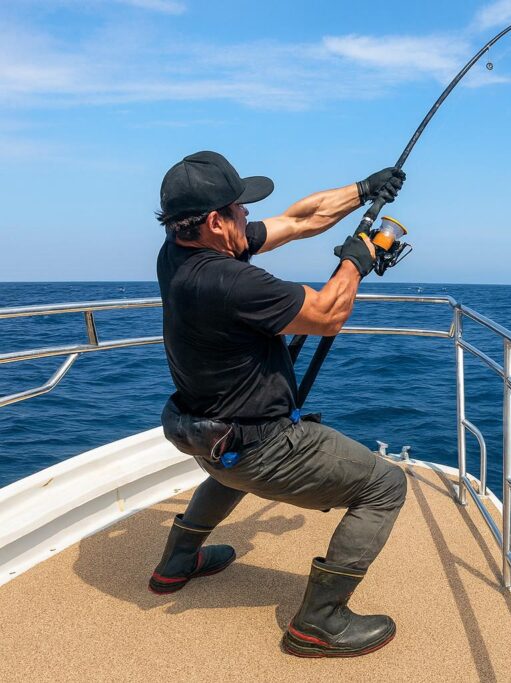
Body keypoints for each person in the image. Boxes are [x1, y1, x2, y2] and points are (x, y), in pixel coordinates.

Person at [151, 150, 409, 658]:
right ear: (213, 221)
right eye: (239, 208)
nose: (248, 216)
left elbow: (298, 219)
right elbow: (328, 313)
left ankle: (177, 562)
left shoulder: (177, 249)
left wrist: (363, 188)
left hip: (207, 435)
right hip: (260, 445)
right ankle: (320, 621)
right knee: (385, 485)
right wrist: (355, 260)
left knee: (226, 470)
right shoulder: (228, 281)